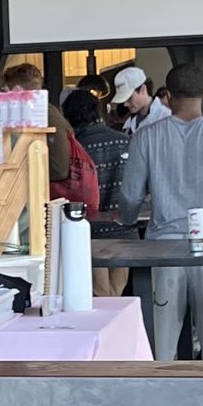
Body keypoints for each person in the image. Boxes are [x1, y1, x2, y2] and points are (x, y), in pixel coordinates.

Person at [115, 64, 203, 359]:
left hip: (163, 247)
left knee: (161, 340)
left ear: (168, 96)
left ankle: (161, 397)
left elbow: (131, 195)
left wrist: (124, 217)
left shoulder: (145, 138)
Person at [63, 88, 133, 296]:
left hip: (89, 233)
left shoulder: (75, 149)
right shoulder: (124, 140)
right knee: (117, 292)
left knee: (100, 295)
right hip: (123, 232)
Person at [0, 64, 74, 184]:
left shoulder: (46, 116)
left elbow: (59, 169)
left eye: (5, 91)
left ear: (17, 90)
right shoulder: (44, 113)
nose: (3, 97)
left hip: (48, 193)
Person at [109, 67, 170, 135]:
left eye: (129, 98)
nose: (125, 104)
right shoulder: (129, 122)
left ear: (143, 89)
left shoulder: (166, 118)